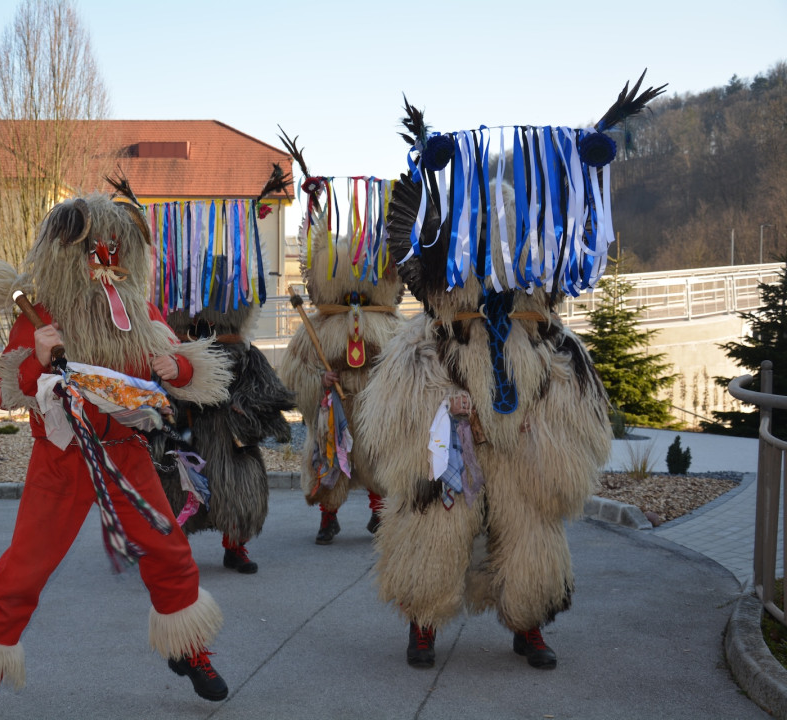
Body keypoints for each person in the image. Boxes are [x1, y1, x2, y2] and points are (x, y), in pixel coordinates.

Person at [354, 85, 661, 668]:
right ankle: (424, 621)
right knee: (433, 524)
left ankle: (529, 621)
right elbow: (404, 393)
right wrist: (445, 413)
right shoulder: (435, 327)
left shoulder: (543, 321)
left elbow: (573, 386)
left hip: (524, 443)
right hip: (455, 440)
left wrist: (542, 424)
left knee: (532, 531)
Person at [0, 185, 234, 720]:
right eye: (93, 251)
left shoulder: (142, 312)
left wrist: (179, 369)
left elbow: (183, 366)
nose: (104, 262)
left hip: (126, 452)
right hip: (62, 457)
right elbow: (2, 392)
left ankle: (190, 650)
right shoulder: (40, 315)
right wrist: (35, 357)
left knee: (169, 550)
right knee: (24, 571)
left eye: (113, 251)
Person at [276, 133, 405, 545]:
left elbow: (405, 365)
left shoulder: (391, 325)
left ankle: (379, 513)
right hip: (335, 406)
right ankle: (328, 517)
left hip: (374, 407)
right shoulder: (317, 325)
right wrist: (320, 383)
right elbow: (296, 372)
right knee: (330, 456)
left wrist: (386, 384)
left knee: (378, 458)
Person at [154, 298, 296, 574]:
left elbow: (266, 392)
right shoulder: (168, 354)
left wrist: (244, 409)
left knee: (240, 494)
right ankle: (174, 553)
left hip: (228, 439)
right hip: (185, 437)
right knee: (175, 494)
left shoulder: (242, 353)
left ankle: (235, 548)